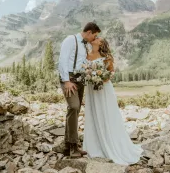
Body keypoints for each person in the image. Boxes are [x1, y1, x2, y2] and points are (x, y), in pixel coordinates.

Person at [83, 37, 142, 165]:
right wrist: (90, 77)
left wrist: (99, 78)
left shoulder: (107, 57)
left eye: (98, 38)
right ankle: (94, 145)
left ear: (101, 44)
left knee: (107, 114)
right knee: (93, 114)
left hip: (104, 89)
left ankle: (111, 143)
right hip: (91, 91)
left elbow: (110, 73)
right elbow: (84, 71)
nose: (95, 38)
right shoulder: (86, 55)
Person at [58, 22, 101, 157]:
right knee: (74, 106)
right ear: (88, 32)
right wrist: (66, 81)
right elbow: (62, 61)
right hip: (69, 79)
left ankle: (67, 145)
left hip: (80, 79)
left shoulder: (85, 45)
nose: (94, 38)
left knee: (75, 111)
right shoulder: (70, 40)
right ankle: (73, 146)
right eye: (94, 35)